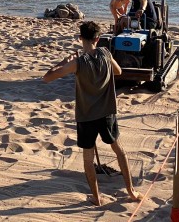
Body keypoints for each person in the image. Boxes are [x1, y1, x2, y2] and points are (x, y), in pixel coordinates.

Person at [42, 21, 142, 206]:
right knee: (119, 151)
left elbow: (47, 77)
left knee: (88, 159)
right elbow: (118, 71)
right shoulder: (105, 53)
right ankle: (131, 191)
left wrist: (65, 61)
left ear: (80, 38)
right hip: (107, 112)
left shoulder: (77, 63)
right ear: (98, 38)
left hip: (87, 115)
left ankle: (96, 197)